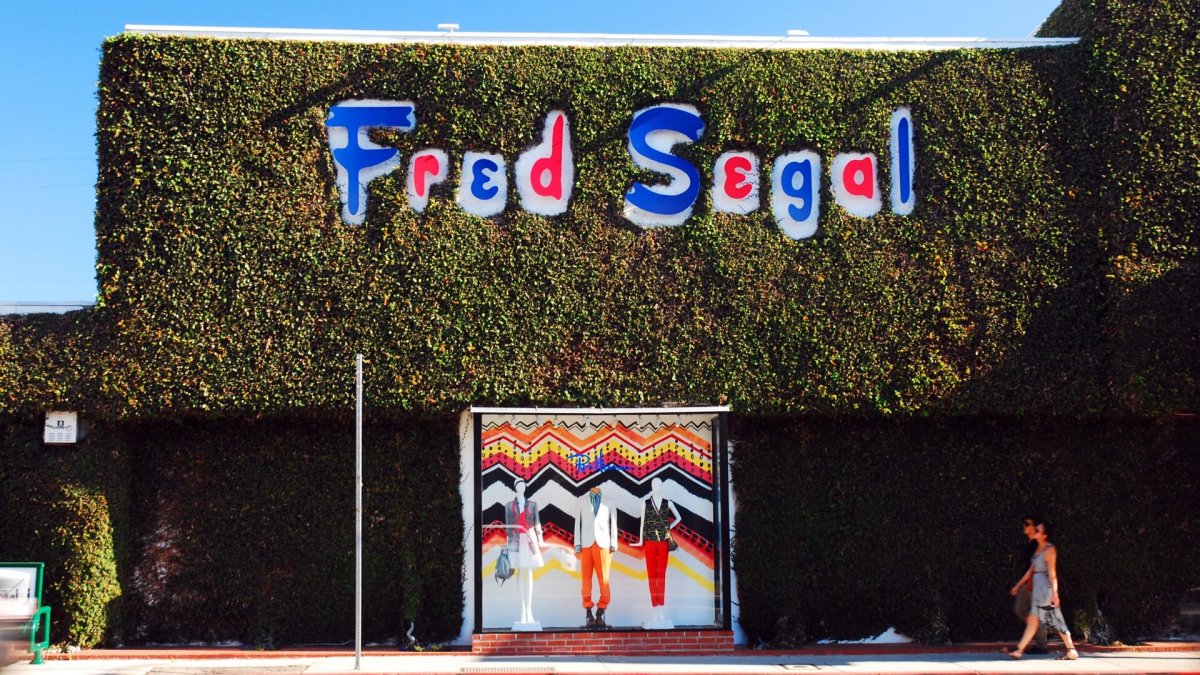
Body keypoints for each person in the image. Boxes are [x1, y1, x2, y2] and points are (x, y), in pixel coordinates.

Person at [1009, 518, 1079, 660]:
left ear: (1044, 534)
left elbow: (1052, 573)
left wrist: (1055, 594)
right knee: (1038, 620)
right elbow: (1031, 570)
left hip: (1045, 590)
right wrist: (1018, 585)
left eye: (1038, 530)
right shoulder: (1038, 549)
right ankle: (1020, 650)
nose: (1035, 531)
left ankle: (1020, 650)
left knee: (1050, 620)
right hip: (1038, 589)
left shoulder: (1049, 549)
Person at [631, 478, 682, 627]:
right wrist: (640, 540)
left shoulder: (668, 503)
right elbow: (642, 524)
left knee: (661, 575)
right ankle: (655, 608)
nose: (656, 487)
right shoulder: (645, 503)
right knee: (652, 575)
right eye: (654, 484)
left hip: (663, 543)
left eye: (658, 484)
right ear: (651, 486)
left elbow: (679, 517)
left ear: (661, 486)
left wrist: (668, 527)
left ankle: (661, 608)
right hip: (650, 542)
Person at [573, 484, 619, 629]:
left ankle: (601, 609)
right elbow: (577, 524)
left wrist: (614, 543)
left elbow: (614, 523)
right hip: (586, 545)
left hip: (603, 545)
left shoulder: (609, 501)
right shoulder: (581, 501)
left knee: (604, 580)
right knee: (586, 580)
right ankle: (588, 610)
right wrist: (577, 543)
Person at [504, 479, 545, 629]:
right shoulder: (509, 506)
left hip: (530, 541)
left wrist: (540, 539)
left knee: (529, 573)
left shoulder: (533, 505)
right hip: (516, 541)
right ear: (515, 487)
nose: (521, 487)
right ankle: (523, 609)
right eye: (518, 485)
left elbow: (537, 523)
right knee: (521, 573)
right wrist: (508, 545)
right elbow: (508, 527)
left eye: (523, 484)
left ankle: (529, 610)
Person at [1012, 515, 1049, 653]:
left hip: (1035, 583)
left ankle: (1041, 644)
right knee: (1020, 609)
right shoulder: (1029, 543)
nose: (1024, 526)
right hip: (1028, 582)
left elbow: (1036, 567)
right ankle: (1039, 635)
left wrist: (1029, 583)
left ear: (1035, 527)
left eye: (1027, 524)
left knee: (1034, 613)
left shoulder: (1037, 545)